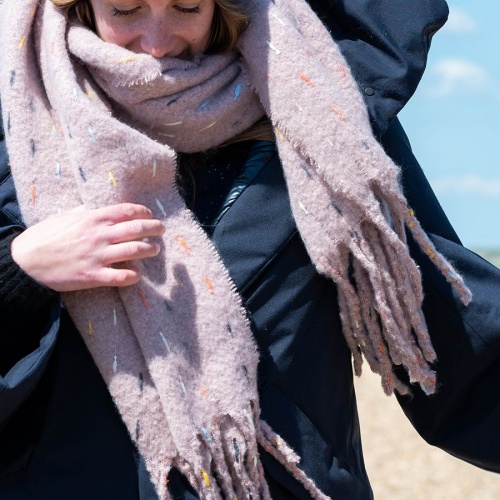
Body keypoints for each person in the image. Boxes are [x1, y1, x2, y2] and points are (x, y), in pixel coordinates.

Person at [0, 0, 499, 499]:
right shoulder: (16, 123)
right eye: (126, 9)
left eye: (186, 7)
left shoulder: (326, 121)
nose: (156, 42)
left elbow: (454, 340)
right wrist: (17, 269)